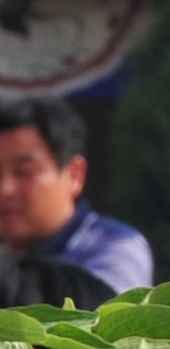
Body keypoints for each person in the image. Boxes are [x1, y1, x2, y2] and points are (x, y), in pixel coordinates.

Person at [0, 95, 147, 298]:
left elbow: (104, 318)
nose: (5, 189)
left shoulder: (115, 247)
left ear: (74, 175)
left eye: (24, 172)